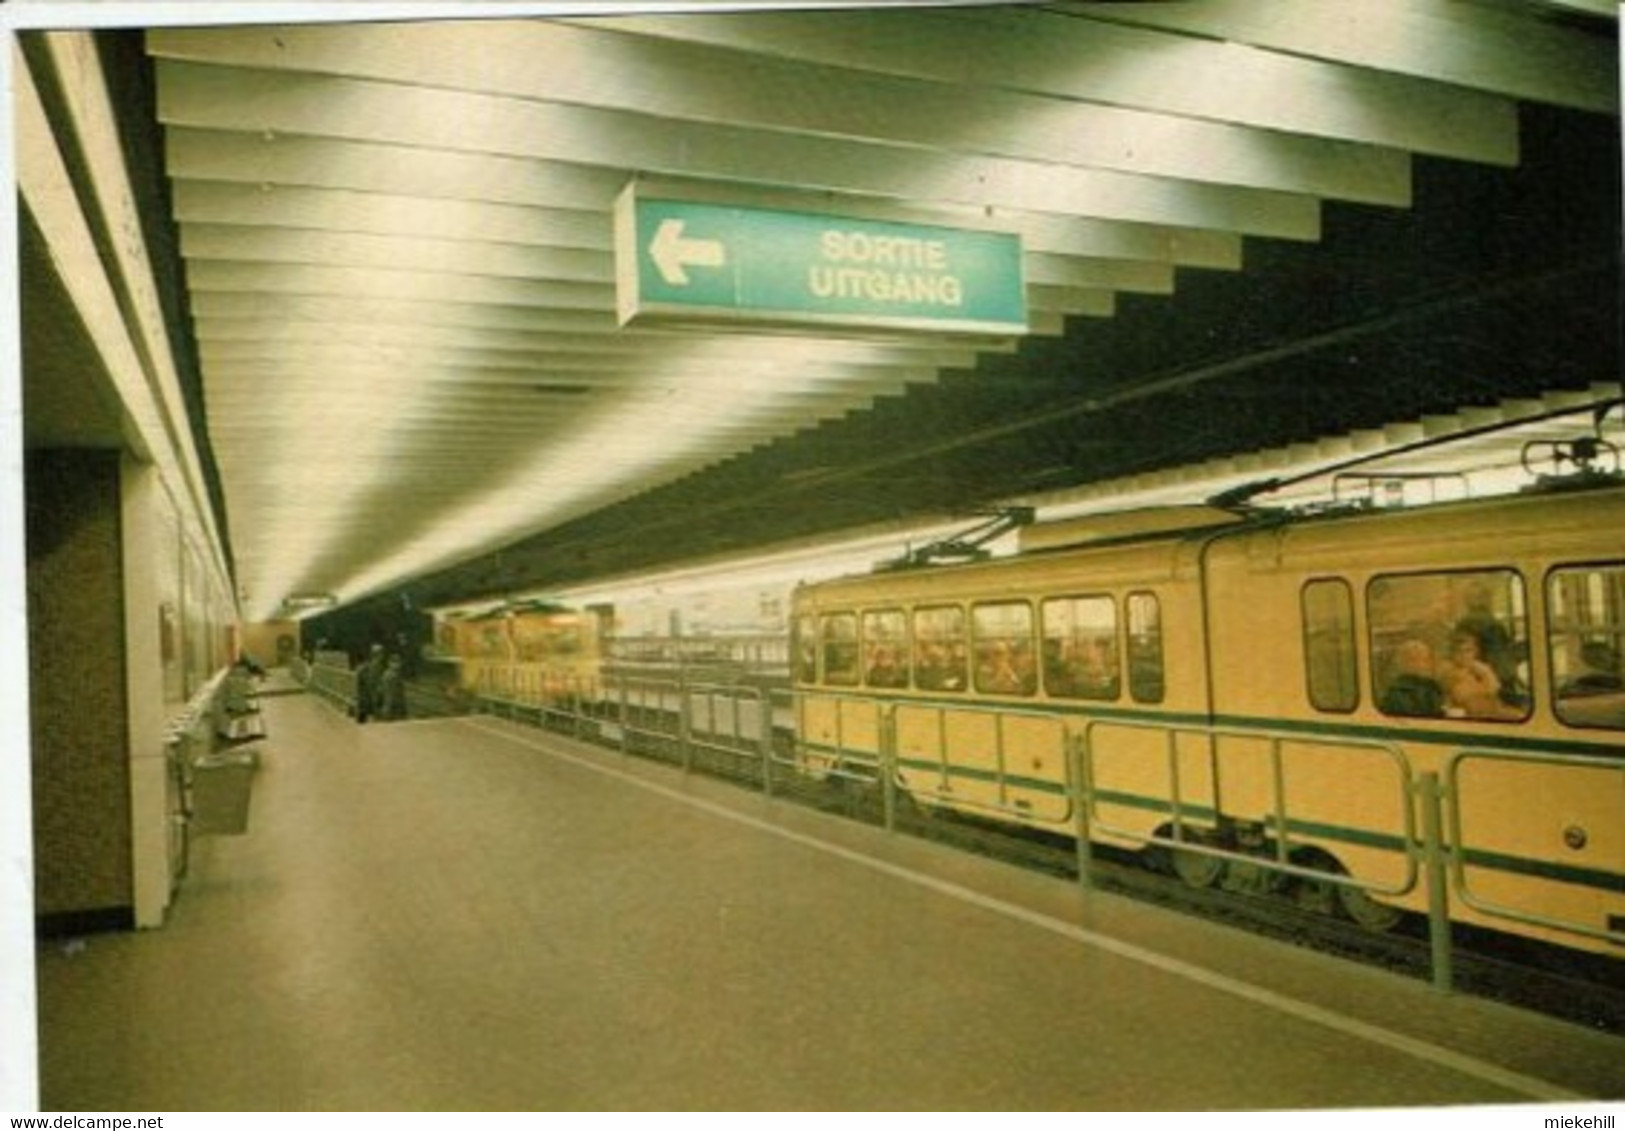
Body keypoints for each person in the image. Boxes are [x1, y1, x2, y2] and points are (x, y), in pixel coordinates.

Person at [1378, 638, 1445, 718]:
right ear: (1405, 662)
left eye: (1426, 659)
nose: (1425, 664)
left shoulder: (1431, 686)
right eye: (1415, 659)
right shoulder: (1397, 694)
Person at [355, 644, 386, 723]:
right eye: (381, 653)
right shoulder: (372, 667)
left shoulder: (376, 666)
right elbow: (371, 685)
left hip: (368, 700)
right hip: (368, 700)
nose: (382, 656)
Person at [377, 655, 407, 721]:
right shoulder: (388, 675)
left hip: (397, 706)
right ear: (389, 663)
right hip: (390, 706)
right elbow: (385, 692)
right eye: (394, 662)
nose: (397, 665)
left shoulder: (398, 675)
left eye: (398, 662)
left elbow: (401, 693)